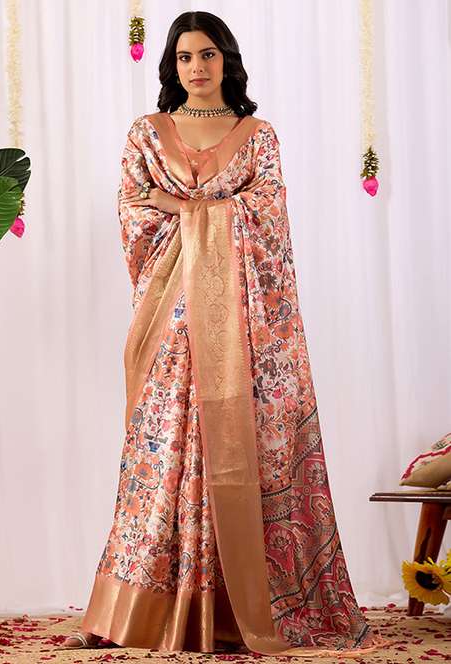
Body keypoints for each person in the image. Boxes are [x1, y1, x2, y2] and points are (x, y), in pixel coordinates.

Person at [60, 10, 391, 658]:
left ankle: (239, 614)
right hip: (171, 325)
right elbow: (132, 211)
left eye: (208, 54)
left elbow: (268, 219)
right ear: (172, 65)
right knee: (162, 456)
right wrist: (195, 212)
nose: (197, 67)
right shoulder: (146, 134)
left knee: (244, 453)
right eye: (185, 56)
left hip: (242, 332)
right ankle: (142, 613)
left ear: (227, 60)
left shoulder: (257, 137)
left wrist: (183, 207)